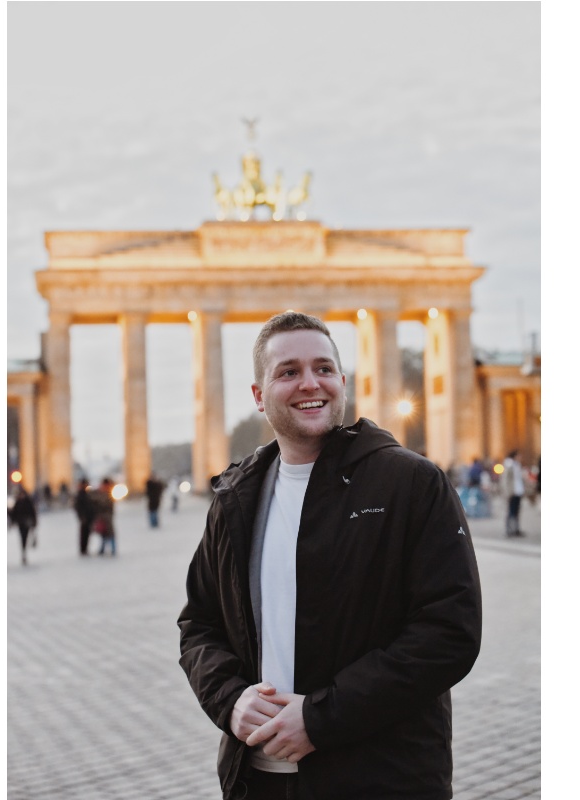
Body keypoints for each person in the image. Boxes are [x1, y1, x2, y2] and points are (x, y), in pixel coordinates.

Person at [178, 312, 482, 800]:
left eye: (323, 368)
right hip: (256, 781)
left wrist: (321, 719)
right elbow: (199, 625)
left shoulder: (411, 484)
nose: (309, 383)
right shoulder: (235, 499)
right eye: (288, 372)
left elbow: (449, 633)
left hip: (382, 779)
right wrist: (229, 700)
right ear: (258, 395)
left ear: (342, 382)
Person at [7, 485, 38, 566]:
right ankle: (23, 552)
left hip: (26, 523)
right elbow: (14, 513)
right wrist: (12, 521)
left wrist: (34, 522)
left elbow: (32, 512)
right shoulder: (18, 502)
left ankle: (24, 551)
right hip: (21, 523)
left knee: (25, 537)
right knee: (22, 538)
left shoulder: (28, 502)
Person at [503, 449, 526, 537]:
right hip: (512, 492)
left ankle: (516, 529)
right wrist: (507, 492)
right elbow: (505, 480)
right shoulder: (509, 465)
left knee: (516, 512)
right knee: (511, 511)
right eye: (518, 455)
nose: (520, 457)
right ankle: (509, 529)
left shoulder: (517, 465)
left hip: (518, 491)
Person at [92, 477, 117, 556]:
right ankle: (103, 549)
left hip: (108, 517)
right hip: (102, 517)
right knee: (103, 534)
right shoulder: (98, 493)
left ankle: (113, 549)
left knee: (110, 533)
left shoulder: (109, 493)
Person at [73, 478, 94, 556]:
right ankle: (83, 549)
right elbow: (78, 507)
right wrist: (81, 516)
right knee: (83, 534)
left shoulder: (87, 493)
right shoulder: (80, 494)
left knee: (87, 534)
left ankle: (85, 549)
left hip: (88, 517)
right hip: (84, 518)